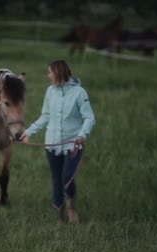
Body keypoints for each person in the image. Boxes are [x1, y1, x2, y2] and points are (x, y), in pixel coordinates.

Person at [19, 59, 96, 223]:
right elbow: (45, 116)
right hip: (51, 144)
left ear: (58, 73)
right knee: (57, 180)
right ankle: (60, 220)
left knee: (67, 177)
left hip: (73, 144)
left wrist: (82, 135)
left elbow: (89, 118)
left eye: (50, 72)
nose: (48, 76)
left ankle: (72, 208)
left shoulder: (79, 93)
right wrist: (28, 132)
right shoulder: (50, 91)